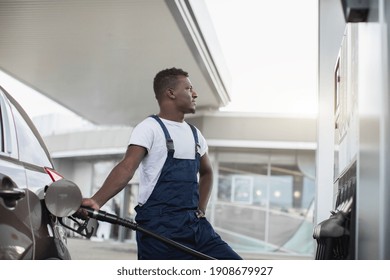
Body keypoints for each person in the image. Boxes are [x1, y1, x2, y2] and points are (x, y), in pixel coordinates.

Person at [81, 67, 242, 260]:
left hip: (195, 226)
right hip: (159, 229)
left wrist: (201, 208)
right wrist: (97, 200)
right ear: (171, 93)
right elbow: (127, 167)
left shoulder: (195, 134)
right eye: (189, 88)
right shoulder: (149, 128)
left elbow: (207, 172)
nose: (195, 93)